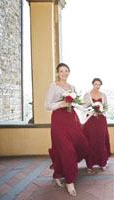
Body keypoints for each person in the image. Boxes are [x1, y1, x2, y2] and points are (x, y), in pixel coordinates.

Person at [45, 63, 89, 196]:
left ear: (69, 73)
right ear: (57, 73)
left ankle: (57, 173)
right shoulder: (53, 86)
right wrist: (61, 104)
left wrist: (86, 109)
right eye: (61, 71)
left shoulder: (72, 87)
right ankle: (70, 182)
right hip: (59, 120)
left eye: (66, 71)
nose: (64, 73)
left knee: (79, 144)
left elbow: (75, 103)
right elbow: (47, 105)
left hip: (71, 119)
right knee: (66, 150)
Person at [82, 78, 111, 173]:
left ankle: (102, 163)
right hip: (90, 120)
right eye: (96, 84)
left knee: (100, 140)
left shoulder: (103, 95)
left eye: (99, 84)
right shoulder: (87, 95)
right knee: (91, 141)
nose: (97, 86)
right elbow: (84, 107)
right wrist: (92, 111)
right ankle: (89, 165)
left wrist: (101, 110)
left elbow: (106, 107)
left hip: (101, 120)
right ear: (92, 84)